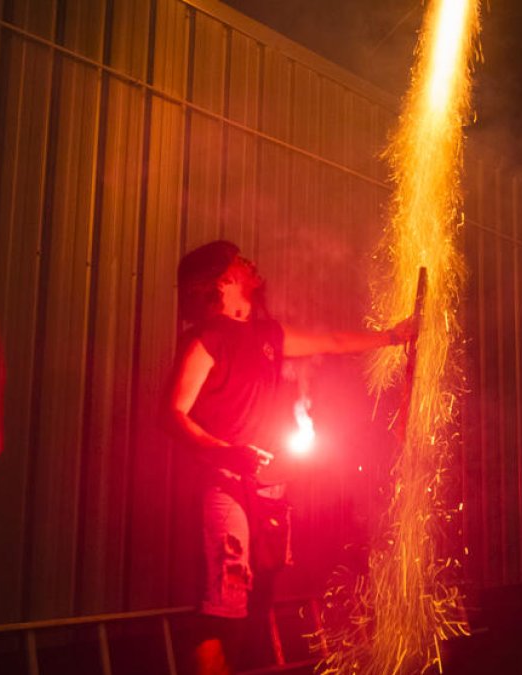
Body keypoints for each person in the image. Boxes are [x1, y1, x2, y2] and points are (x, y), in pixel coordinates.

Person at [163, 240, 414, 675]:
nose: (250, 262)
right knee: (223, 610)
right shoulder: (207, 338)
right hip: (225, 487)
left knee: (255, 604)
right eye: (239, 260)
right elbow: (174, 413)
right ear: (223, 280)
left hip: (268, 492)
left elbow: (332, 341)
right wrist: (230, 453)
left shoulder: (267, 335)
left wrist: (393, 337)